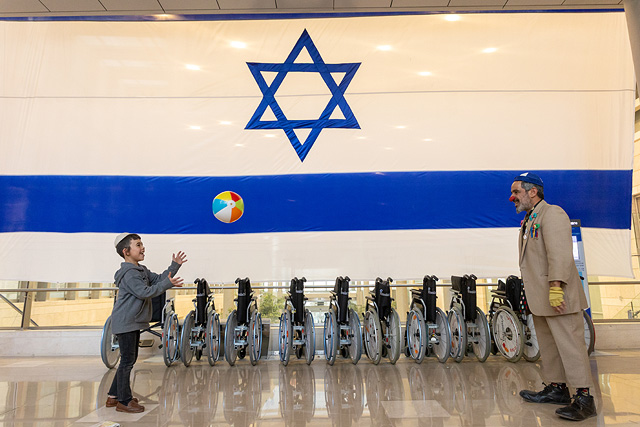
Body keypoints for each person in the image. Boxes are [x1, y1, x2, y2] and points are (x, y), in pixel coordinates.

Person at [509, 172, 596, 421]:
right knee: (549, 346)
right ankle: (557, 388)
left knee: (571, 347)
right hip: (541, 298)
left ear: (532, 191)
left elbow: (559, 254)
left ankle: (584, 398)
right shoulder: (531, 218)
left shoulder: (553, 214)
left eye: (516, 192)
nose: (512, 197)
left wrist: (556, 286)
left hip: (558, 296)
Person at [106, 233, 187, 413]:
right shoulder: (129, 274)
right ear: (126, 251)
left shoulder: (140, 270)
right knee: (127, 361)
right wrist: (167, 284)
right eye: (138, 245)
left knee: (128, 359)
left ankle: (113, 397)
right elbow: (144, 292)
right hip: (126, 321)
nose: (143, 248)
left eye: (142, 244)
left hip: (133, 321)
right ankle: (124, 401)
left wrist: (174, 266)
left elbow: (159, 279)